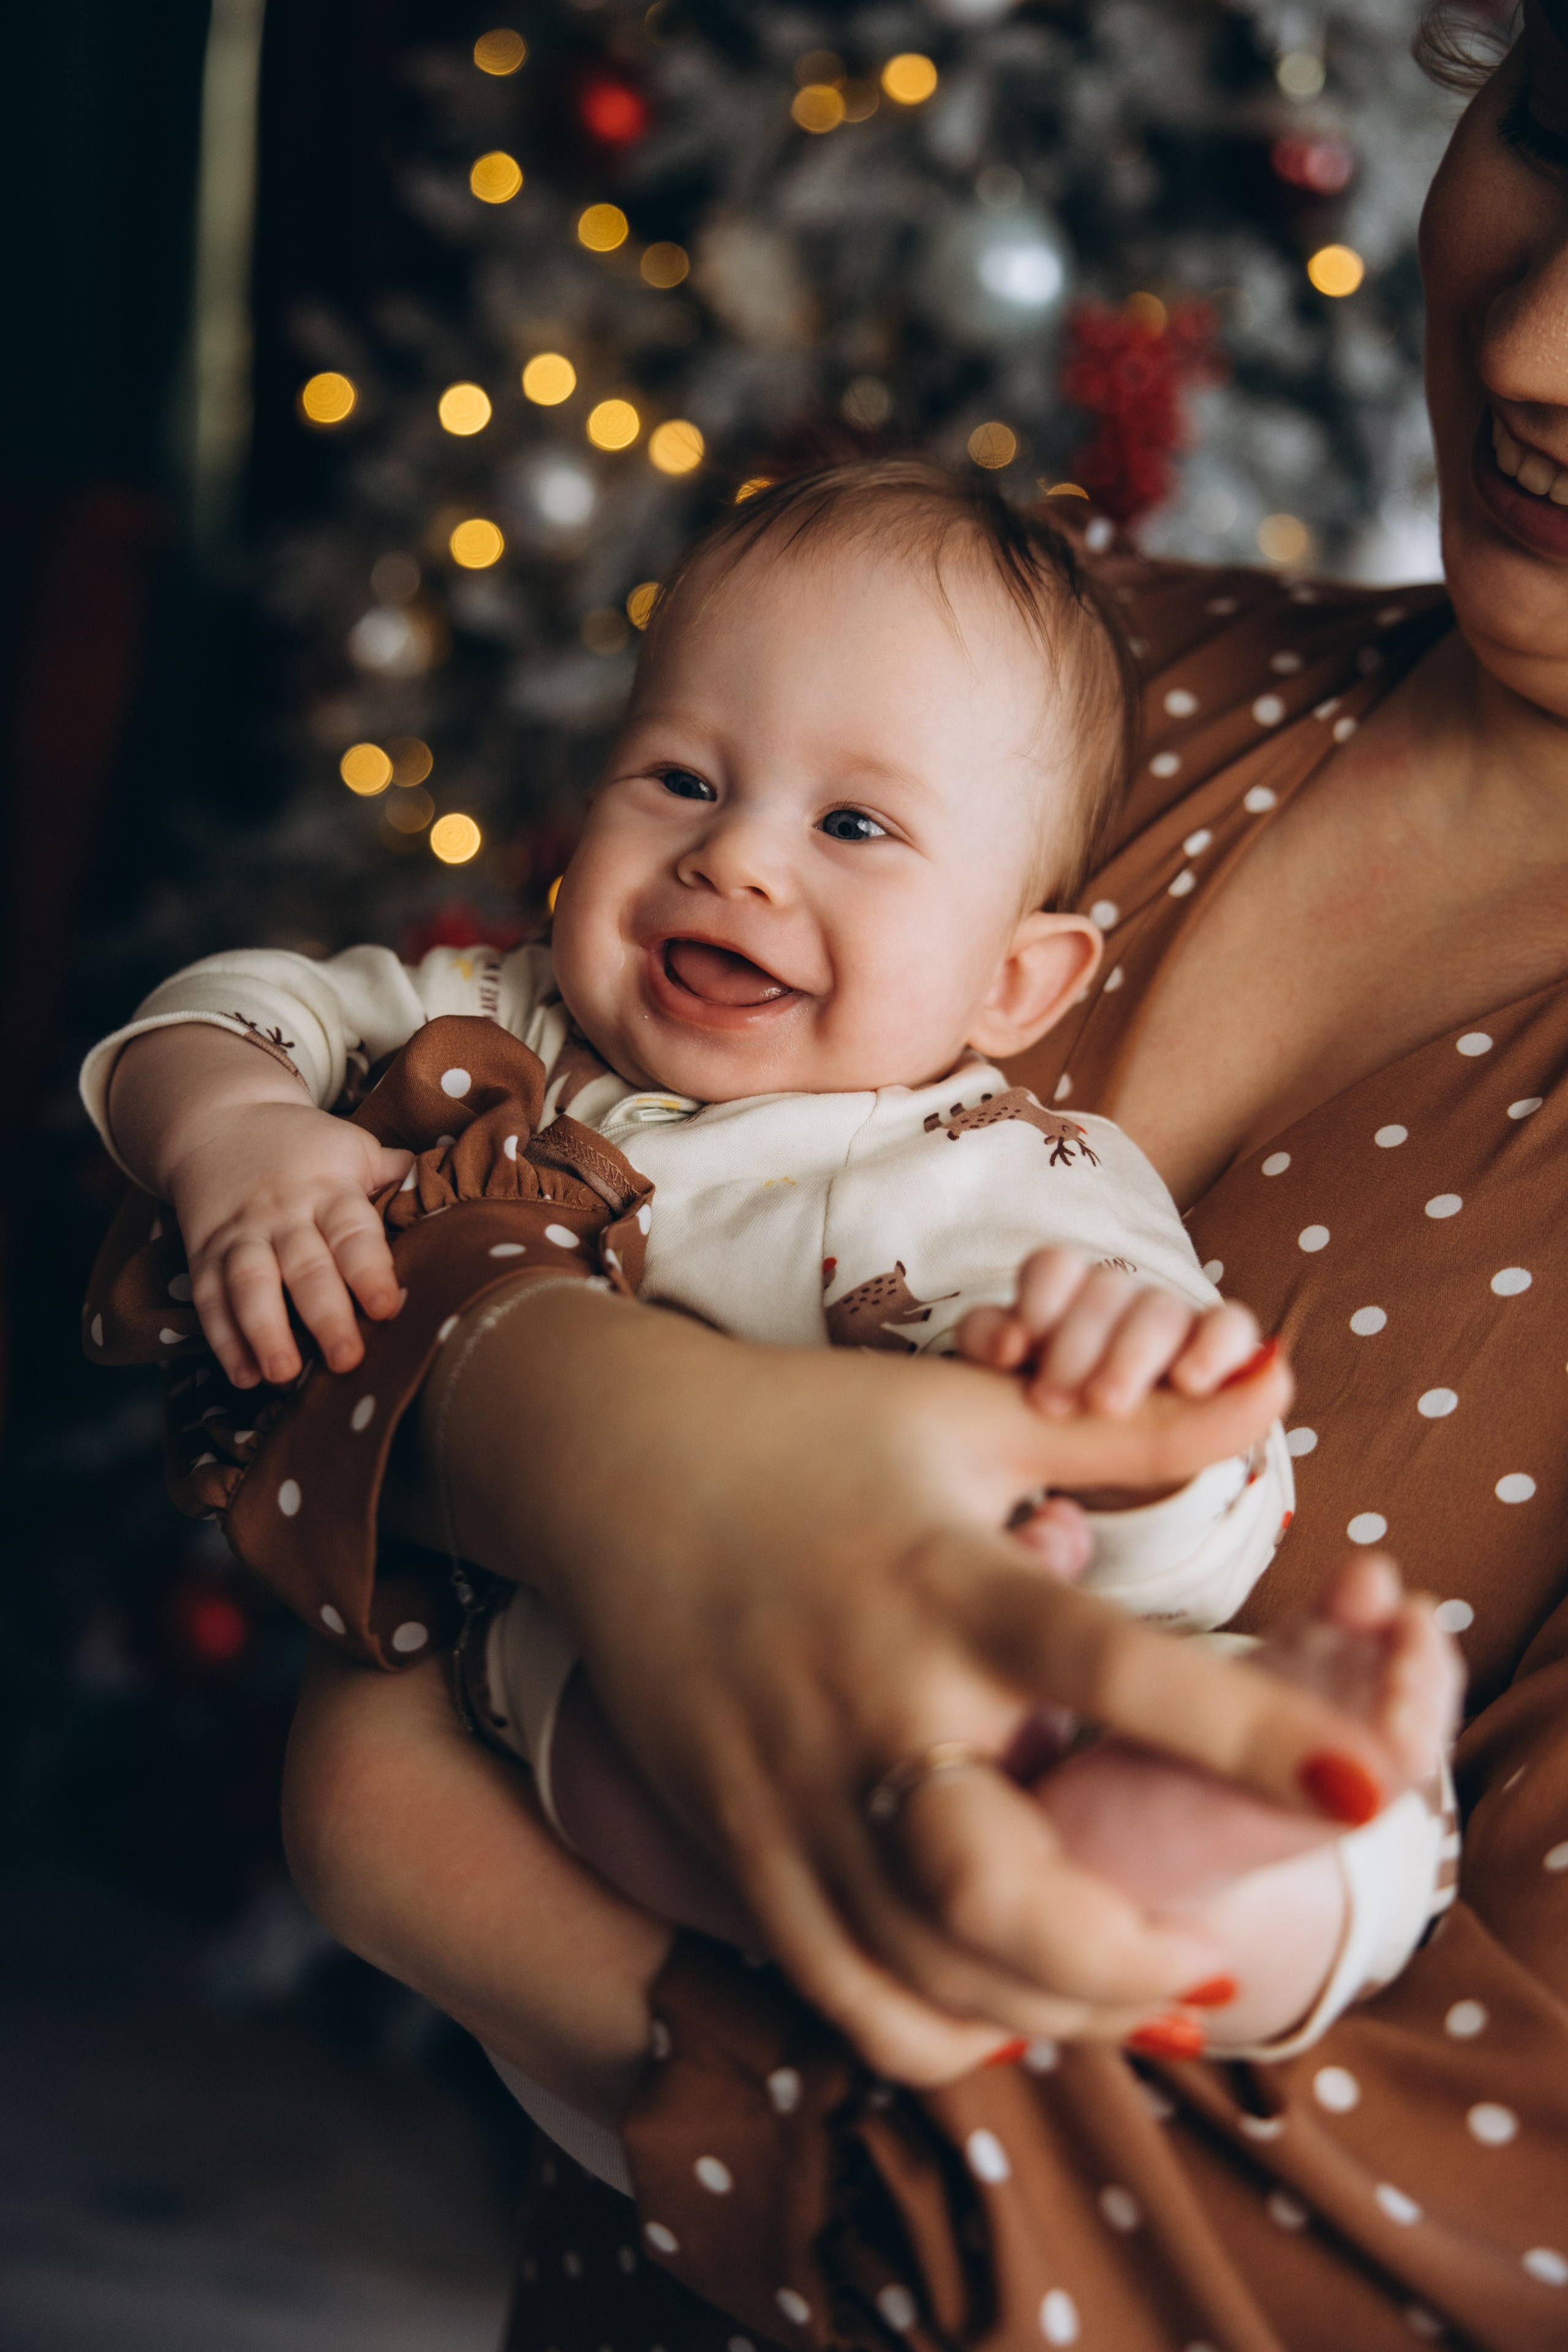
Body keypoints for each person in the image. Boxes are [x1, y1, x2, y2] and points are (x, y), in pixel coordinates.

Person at [88, 2, 1568, 2340]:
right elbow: (225, 1292)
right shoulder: (1095, 665)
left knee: (1289, 1842)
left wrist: (490, 1909)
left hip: (892, 2142)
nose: (1544, 330)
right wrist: (597, 1447)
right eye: (1564, 110)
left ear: (1025, 970)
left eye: (852, 838)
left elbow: (1458, 2214)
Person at [81, 462, 1458, 2195]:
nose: (732, 855)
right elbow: (230, 1009)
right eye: (680, 778)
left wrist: (1127, 1400)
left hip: (975, 1663)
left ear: (1017, 986)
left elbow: (1198, 1521)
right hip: (630, 1705)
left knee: (1364, 1826)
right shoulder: (499, 1021)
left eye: (855, 827)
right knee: (632, 1732)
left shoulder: (1019, 1175)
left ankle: (1190, 1839)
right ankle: (946, 1892)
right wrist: (238, 1132)